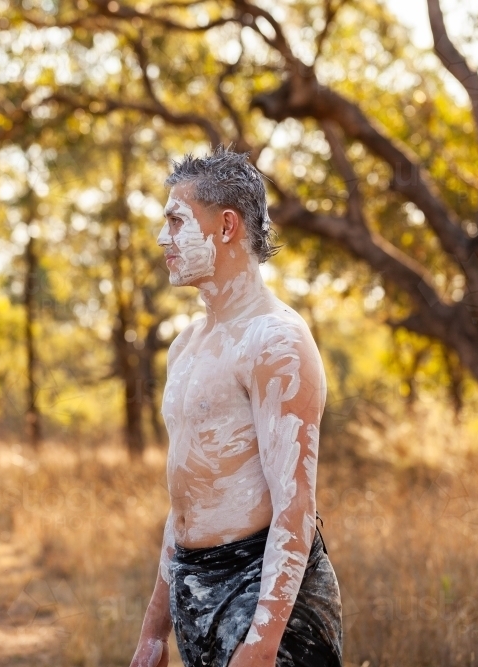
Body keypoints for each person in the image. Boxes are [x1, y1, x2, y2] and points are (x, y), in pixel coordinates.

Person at [129, 148, 343, 667]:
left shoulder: (277, 342)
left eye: (176, 221)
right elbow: (183, 507)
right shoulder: (185, 346)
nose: (163, 239)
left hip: (264, 597)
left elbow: (296, 509)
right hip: (194, 593)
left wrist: (263, 642)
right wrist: (154, 630)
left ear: (226, 226)